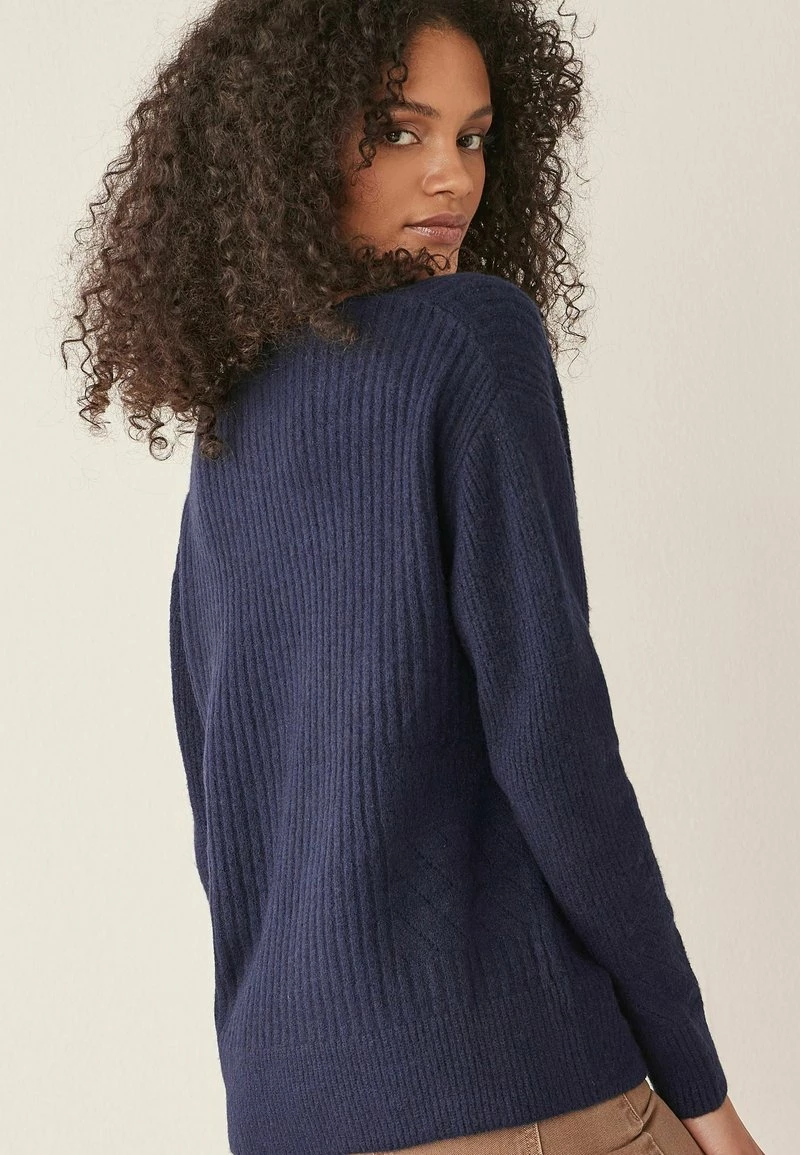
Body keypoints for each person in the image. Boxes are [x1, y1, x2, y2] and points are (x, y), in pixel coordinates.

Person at [60, 3, 765, 1153]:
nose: (450, 175)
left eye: (472, 137)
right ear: (288, 141)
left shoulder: (233, 415)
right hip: (512, 1085)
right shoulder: (470, 339)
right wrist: (700, 1092)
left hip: (289, 1104)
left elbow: (224, 799)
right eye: (398, 131)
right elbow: (554, 741)